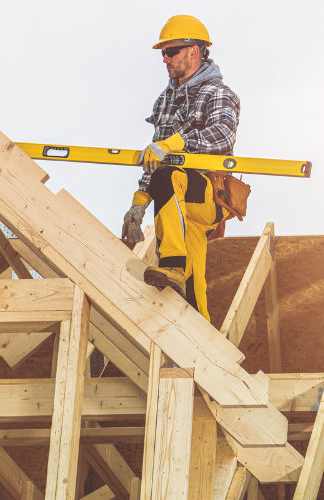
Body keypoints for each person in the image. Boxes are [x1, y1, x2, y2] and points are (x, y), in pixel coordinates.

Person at [121, 14, 241, 322]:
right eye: (163, 53)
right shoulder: (165, 101)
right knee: (190, 288)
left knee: (169, 173)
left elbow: (222, 136)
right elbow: (154, 157)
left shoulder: (218, 94)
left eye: (171, 51)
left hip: (206, 197)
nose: (165, 59)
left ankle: (172, 262)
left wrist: (174, 144)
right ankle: (207, 350)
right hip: (174, 205)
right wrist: (139, 203)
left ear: (195, 51)